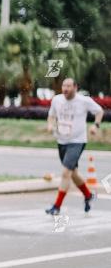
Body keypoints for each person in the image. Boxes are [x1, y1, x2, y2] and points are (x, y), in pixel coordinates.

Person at [45, 77, 103, 215]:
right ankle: (88, 196)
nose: (65, 89)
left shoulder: (84, 101)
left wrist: (96, 125)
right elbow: (51, 116)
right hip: (61, 141)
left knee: (66, 173)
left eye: (69, 86)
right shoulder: (57, 100)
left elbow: (99, 111)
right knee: (73, 174)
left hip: (77, 141)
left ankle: (56, 207)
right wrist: (50, 124)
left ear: (75, 87)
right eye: (64, 86)